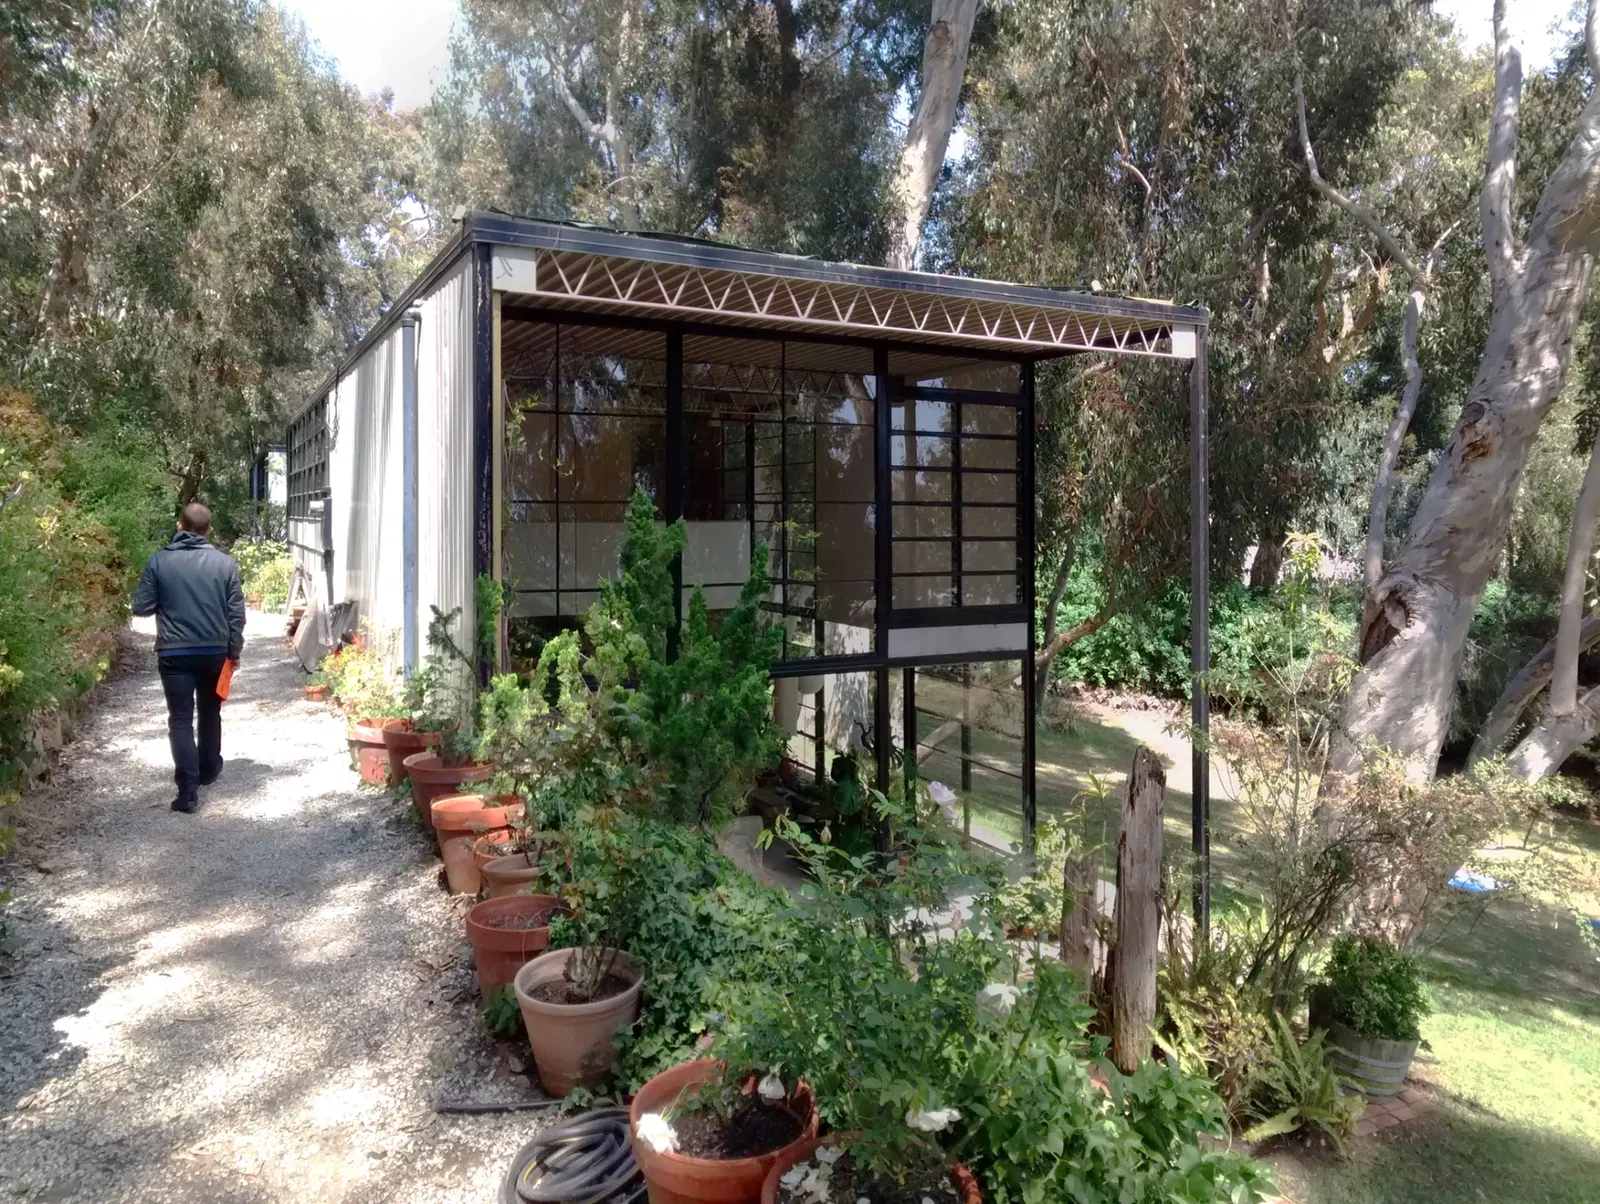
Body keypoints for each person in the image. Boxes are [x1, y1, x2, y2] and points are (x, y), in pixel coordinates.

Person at [130, 501, 246, 813]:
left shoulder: (158, 562)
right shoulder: (224, 565)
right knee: (210, 713)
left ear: (180, 526)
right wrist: (233, 651)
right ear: (208, 529)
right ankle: (209, 769)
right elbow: (236, 615)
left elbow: (140, 607)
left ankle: (188, 792)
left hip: (174, 653)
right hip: (214, 652)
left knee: (180, 719)